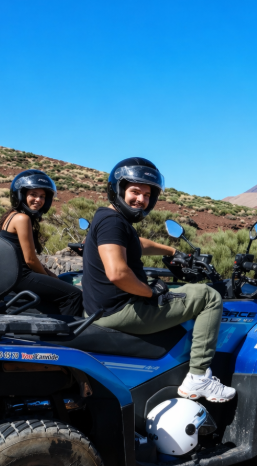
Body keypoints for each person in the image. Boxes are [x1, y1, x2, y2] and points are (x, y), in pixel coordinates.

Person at [82, 157, 234, 403]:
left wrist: (171, 251)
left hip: (103, 308)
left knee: (182, 290)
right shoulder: (112, 222)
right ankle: (198, 378)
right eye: (134, 191)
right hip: (120, 309)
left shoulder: (110, 219)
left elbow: (135, 244)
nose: (141, 199)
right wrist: (150, 293)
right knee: (208, 296)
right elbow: (118, 273)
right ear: (117, 190)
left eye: (147, 194)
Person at [0, 170, 84, 317]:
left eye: (42, 196)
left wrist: (50, 275)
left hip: (13, 274)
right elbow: (30, 260)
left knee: (58, 283)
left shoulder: (11, 216)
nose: (39, 200)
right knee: (74, 295)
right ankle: (67, 335)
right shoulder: (22, 219)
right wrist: (49, 276)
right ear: (21, 195)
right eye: (33, 194)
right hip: (21, 276)